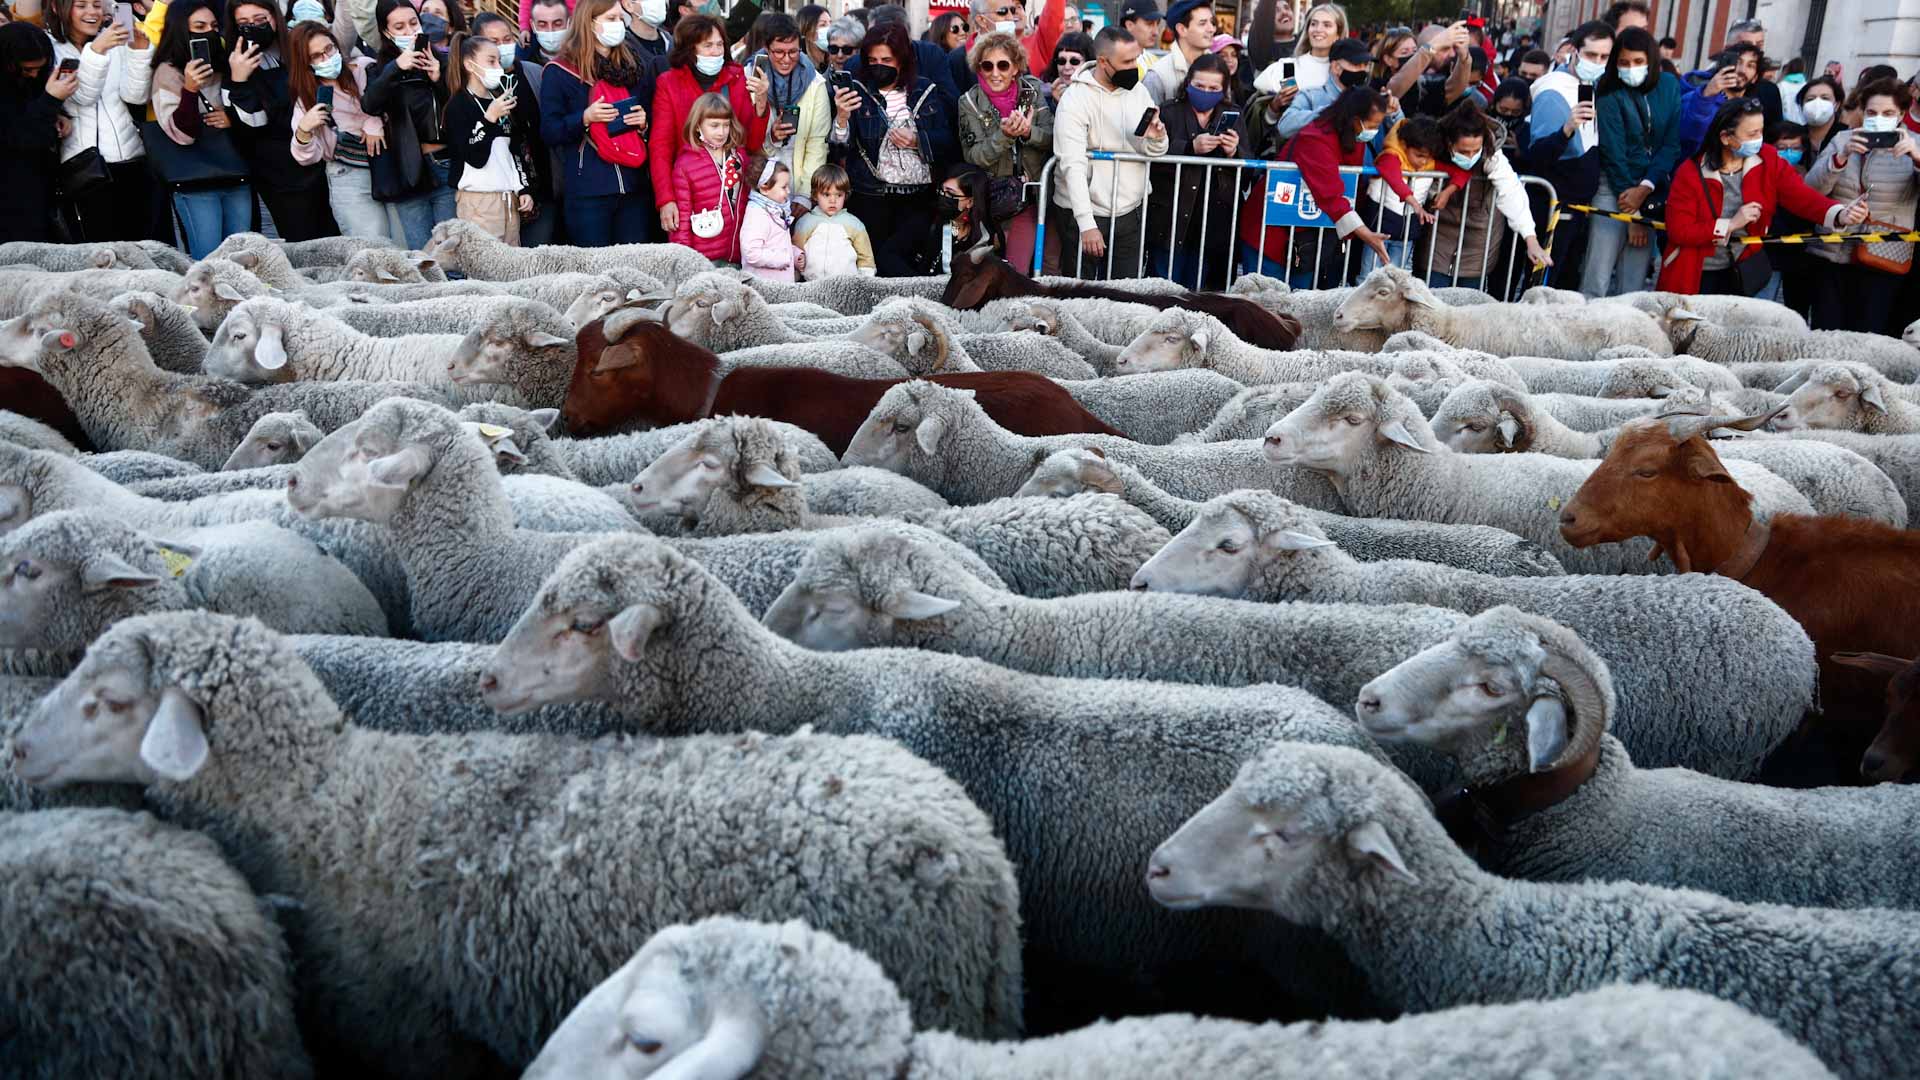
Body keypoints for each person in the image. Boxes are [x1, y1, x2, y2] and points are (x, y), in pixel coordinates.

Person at [1659, 96, 1861, 296]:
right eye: (1752, 134)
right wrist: (1730, 224)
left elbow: (1801, 196)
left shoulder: (1767, 158)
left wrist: (1839, 214)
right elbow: (1679, 230)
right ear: (1726, 137)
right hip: (1694, 271)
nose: (1759, 140)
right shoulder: (1691, 172)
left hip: (1740, 269)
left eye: (1761, 131)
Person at [827, 20, 956, 276]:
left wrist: (918, 140)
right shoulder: (858, 91)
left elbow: (947, 140)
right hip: (871, 197)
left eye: (886, 59)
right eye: (873, 60)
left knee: (902, 260)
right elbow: (840, 148)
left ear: (902, 60)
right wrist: (842, 117)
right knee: (876, 264)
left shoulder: (925, 90)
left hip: (917, 197)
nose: (879, 66)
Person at [1242, 85, 1391, 285]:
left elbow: (1348, 186)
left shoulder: (1353, 136)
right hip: (1270, 231)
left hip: (1308, 236)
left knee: (1297, 304)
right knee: (1261, 301)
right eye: (1373, 125)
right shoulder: (1316, 137)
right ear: (1356, 119)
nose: (1374, 131)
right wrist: (1366, 234)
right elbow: (1331, 193)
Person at [1050, 25, 1166, 279]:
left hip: (1130, 211)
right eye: (1127, 61)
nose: (1134, 66)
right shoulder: (1075, 100)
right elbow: (1073, 164)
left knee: (1126, 295)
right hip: (1081, 211)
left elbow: (1151, 150)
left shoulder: (1139, 92)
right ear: (1103, 62)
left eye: (1136, 58)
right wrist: (1086, 223)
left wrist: (1157, 139)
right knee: (1081, 295)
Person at [1803, 79, 1920, 332]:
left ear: (1901, 114)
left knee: (1869, 332)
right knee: (1827, 330)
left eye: (1887, 113)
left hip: (1883, 256)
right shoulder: (1842, 139)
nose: (1878, 118)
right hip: (1833, 253)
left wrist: (1917, 158)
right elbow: (1810, 191)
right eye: (1871, 112)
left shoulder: (1915, 144)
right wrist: (1840, 158)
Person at [540, 0, 656, 246]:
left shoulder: (633, 66)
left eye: (619, 19)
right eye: (610, 19)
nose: (619, 25)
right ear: (589, 24)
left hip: (633, 186)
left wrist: (644, 123)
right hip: (589, 190)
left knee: (633, 268)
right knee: (595, 273)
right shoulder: (560, 71)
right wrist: (584, 118)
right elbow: (550, 132)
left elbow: (653, 120)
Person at [224, 0, 337, 241]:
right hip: (280, 174)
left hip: (324, 159)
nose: (253, 27)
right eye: (243, 23)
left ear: (275, 17)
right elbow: (252, 124)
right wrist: (239, 81)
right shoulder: (234, 62)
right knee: (306, 244)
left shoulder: (296, 45)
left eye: (260, 19)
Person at [149, 1, 254, 258]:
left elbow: (251, 114)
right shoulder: (167, 72)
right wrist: (190, 90)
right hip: (195, 183)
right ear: (181, 30)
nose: (208, 32)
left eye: (213, 26)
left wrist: (231, 117)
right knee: (208, 261)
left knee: (242, 257)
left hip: (235, 174)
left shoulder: (226, 66)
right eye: (199, 26)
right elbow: (182, 134)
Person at [1581, 26, 1679, 298]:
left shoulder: (1669, 86)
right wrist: (1632, 215)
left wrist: (1645, 189)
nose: (1630, 68)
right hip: (1612, 187)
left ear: (1651, 60)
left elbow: (1670, 145)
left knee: (1633, 285)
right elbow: (1613, 154)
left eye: (1638, 62)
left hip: (1650, 188)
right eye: (1623, 62)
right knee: (1596, 278)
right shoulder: (1608, 90)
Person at [651, 13, 764, 236]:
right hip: (689, 189)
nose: (715, 51)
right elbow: (660, 146)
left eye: (720, 44)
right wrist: (666, 199)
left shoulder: (736, 76)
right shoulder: (669, 83)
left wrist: (760, 106)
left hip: (731, 187)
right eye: (708, 45)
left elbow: (750, 141)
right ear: (690, 49)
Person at [49, 0, 153, 243]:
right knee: (100, 247)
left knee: (138, 242)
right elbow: (82, 98)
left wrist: (139, 52)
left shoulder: (114, 43)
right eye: (81, 5)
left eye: (97, 5)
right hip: (84, 165)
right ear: (59, 8)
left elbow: (135, 96)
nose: (92, 12)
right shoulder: (52, 47)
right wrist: (97, 51)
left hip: (129, 156)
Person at [1426, 100, 1548, 290]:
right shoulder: (1433, 148)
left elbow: (1511, 193)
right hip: (1436, 238)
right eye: (1464, 151)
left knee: (1470, 309)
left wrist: (1530, 238)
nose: (1470, 156)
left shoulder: (1492, 154)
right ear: (1449, 143)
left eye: (1476, 150)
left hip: (1478, 242)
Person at [363, 0, 456, 249]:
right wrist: (395, 68)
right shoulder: (380, 69)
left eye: (413, 23)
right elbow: (369, 104)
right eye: (400, 27)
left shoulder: (441, 61)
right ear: (386, 32)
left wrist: (440, 80)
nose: (409, 31)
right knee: (422, 253)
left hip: (445, 163)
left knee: (451, 250)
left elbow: (460, 111)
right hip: (407, 169)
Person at [1144, 51, 1241, 287]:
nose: (1205, 93)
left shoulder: (1233, 114)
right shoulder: (1168, 111)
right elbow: (1151, 155)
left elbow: (1249, 169)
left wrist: (1234, 152)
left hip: (1213, 224)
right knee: (1163, 290)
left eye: (1213, 88)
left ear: (1223, 88)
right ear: (1188, 82)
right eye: (1199, 86)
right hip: (1170, 218)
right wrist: (1189, 148)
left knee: (1200, 294)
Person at [957, 30, 1051, 272]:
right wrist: (1005, 136)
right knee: (990, 273)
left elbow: (1052, 138)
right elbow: (974, 155)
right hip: (991, 199)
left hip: (1030, 197)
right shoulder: (968, 102)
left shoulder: (1033, 92)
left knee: (1022, 271)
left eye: (1002, 65)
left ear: (1016, 67)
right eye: (987, 66)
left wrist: (1029, 133)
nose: (995, 73)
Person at [289, 24, 389, 239]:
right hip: (348, 174)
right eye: (316, 56)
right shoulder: (306, 99)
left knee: (406, 242)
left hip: (388, 164)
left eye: (329, 49)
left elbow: (390, 99)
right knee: (372, 246)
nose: (326, 58)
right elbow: (306, 157)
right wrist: (305, 130)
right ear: (305, 63)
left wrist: (373, 122)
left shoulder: (363, 68)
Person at [1528, 19, 1608, 283]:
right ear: (1574, 51)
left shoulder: (1589, 86)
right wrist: (1566, 129)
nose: (1597, 62)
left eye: (1604, 56)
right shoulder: (1552, 90)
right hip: (1554, 208)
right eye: (1591, 55)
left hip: (1579, 208)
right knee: (1543, 285)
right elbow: (1538, 156)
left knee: (1565, 283)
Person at [471, 11, 556, 243]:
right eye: (494, 42)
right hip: (500, 195)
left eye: (507, 39)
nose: (503, 47)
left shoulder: (534, 72)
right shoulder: (476, 88)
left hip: (542, 185)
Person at [441, 32, 531, 243]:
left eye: (499, 60)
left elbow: (514, 149)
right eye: (491, 61)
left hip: (508, 198)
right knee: (484, 266)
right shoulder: (458, 105)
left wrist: (523, 188)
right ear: (470, 65)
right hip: (478, 200)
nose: (497, 67)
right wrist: (489, 118)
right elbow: (473, 156)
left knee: (512, 263)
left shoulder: (499, 100)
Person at [0, 23, 71, 243]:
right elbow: (19, 133)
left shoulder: (33, 81)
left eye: (39, 69)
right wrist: (51, 101)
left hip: (40, 187)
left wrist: (59, 115)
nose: (34, 75)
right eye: (26, 70)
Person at [1354, 112, 1442, 277]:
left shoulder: (1431, 162)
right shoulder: (1390, 157)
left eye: (1428, 157)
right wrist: (1415, 204)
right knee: (1368, 278)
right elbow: (1395, 180)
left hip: (1406, 234)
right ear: (1403, 144)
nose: (1424, 162)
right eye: (1419, 155)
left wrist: (1449, 190)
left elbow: (1459, 172)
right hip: (1378, 231)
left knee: (1396, 280)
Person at [788, 14, 859, 214]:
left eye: (847, 49)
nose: (839, 55)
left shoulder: (865, 83)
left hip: (857, 171)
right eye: (834, 48)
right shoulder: (817, 83)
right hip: (827, 169)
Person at [669, 90, 746, 263]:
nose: (721, 132)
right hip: (704, 259)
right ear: (697, 126)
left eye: (726, 125)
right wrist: (684, 261)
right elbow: (682, 220)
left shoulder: (739, 156)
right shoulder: (685, 164)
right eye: (714, 125)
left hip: (739, 253)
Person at [743, 14, 811, 175]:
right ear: (766, 49)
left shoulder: (813, 80)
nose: (786, 59)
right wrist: (772, 136)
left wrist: (804, 196)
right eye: (779, 52)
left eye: (793, 52)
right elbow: (746, 141)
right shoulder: (748, 78)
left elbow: (817, 145)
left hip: (800, 178)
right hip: (761, 179)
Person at [1276, 34, 1375, 141]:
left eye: (1366, 65)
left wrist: (1394, 114)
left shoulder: (1369, 99)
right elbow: (1285, 126)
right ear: (1336, 67)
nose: (1364, 70)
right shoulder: (1312, 95)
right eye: (1357, 64)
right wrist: (1330, 112)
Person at [792, 161, 875, 277]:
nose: (833, 200)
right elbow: (795, 253)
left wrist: (865, 281)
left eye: (839, 195)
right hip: (812, 285)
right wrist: (794, 279)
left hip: (846, 286)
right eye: (826, 195)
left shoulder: (854, 224)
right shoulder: (805, 222)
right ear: (815, 195)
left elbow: (866, 257)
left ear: (845, 195)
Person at [1679, 43, 1756, 157]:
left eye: (1750, 65)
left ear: (1756, 77)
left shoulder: (1751, 109)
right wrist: (1706, 97)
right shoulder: (1694, 97)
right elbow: (1687, 137)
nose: (1742, 70)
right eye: (1738, 62)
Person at [1252, 0, 1342, 97]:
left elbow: (1322, 9)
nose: (1284, 12)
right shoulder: (1264, 49)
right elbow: (1289, 96)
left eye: (1287, 8)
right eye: (1276, 10)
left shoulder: (1309, 45)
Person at [740, 155, 803, 278]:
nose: (789, 191)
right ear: (765, 188)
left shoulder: (775, 209)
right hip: (765, 286)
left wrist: (795, 255)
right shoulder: (757, 215)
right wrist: (783, 259)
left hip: (779, 284)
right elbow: (751, 253)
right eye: (784, 187)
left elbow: (777, 243)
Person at [1140, 0, 1210, 105]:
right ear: (1182, 29)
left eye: (1212, 23)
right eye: (1202, 23)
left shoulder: (1218, 67)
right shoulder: (1158, 76)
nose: (1211, 29)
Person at [1722, 19, 1780, 130]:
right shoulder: (1702, 85)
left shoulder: (1769, 91)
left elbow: (1774, 134)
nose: (1754, 50)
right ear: (1727, 49)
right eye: (1746, 44)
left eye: (1759, 45)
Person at [1796, 74, 1843, 156]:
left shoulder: (1846, 136)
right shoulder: (1795, 136)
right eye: (1810, 99)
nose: (1817, 103)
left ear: (1836, 105)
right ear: (1802, 105)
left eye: (1825, 98)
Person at [1043, 29, 1090, 104]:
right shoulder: (1043, 96)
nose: (1067, 67)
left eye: (1074, 61)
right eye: (1061, 61)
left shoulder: (1100, 95)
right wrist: (1056, 103)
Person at [1118, 0, 1162, 65]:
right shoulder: (1113, 62)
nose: (1156, 32)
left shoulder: (1155, 62)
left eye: (1157, 24)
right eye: (1149, 24)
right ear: (1129, 25)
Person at [1210, 32, 1249, 100]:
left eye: (1233, 55)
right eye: (1223, 56)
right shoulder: (1207, 91)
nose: (1230, 60)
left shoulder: (1239, 90)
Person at [797, 2, 829, 68]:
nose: (829, 28)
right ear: (806, 30)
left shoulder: (835, 61)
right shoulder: (797, 65)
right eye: (823, 25)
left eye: (830, 23)